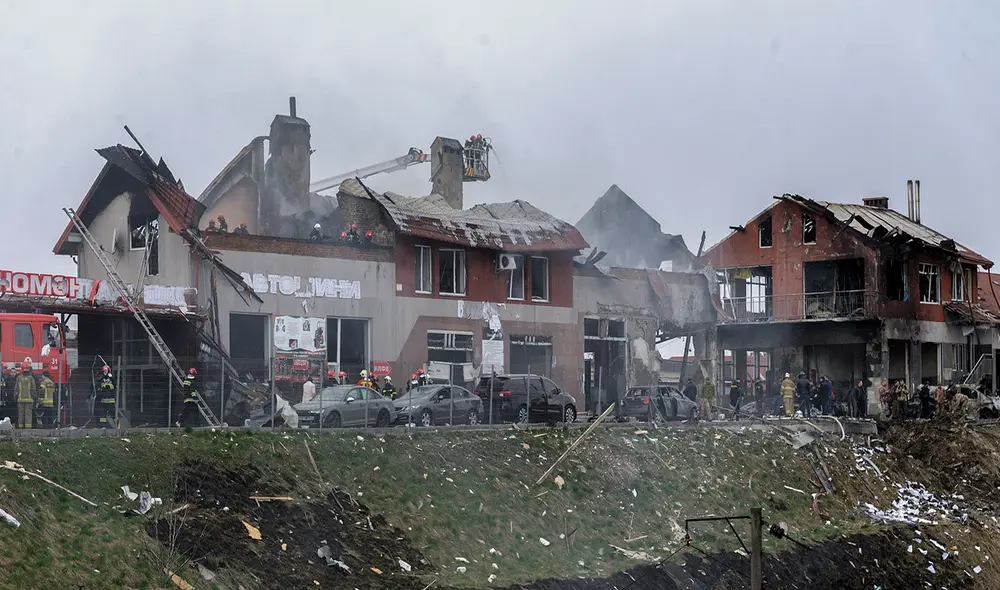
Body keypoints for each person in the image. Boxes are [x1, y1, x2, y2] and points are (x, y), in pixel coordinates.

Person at [15, 362, 36, 429]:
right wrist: (34, 397)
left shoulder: (19, 378)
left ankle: (20, 427)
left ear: (22, 369)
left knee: (21, 415)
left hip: (20, 400)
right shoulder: (31, 378)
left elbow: (16, 389)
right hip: (29, 400)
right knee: (28, 415)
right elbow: (33, 389)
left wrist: (15, 397)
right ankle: (28, 429)